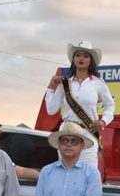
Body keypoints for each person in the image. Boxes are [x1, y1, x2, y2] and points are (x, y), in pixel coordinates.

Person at [45, 40, 115, 168]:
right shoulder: (64, 83)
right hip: (66, 134)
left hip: (88, 133)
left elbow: (110, 105)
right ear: (73, 59)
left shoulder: (98, 83)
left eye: (85, 56)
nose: (81, 58)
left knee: (89, 173)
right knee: (65, 172)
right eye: (77, 55)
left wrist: (103, 121)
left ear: (90, 60)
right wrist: (50, 88)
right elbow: (51, 110)